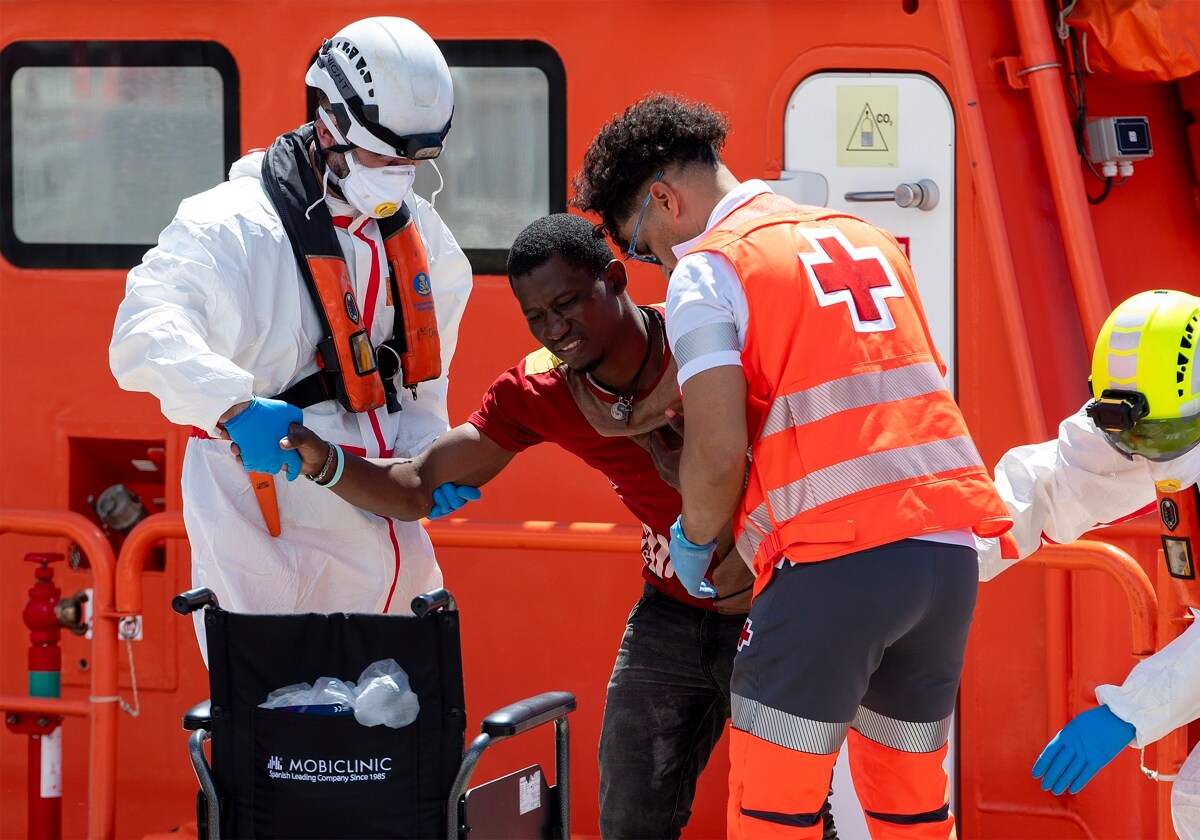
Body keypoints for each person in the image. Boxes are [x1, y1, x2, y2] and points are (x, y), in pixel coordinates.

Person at [282, 213, 836, 839]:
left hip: (776, 610)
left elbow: (829, 457)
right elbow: (415, 484)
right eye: (536, 316)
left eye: (567, 303)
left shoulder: (707, 345)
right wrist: (318, 458)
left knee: (800, 818)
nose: (555, 328)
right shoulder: (539, 389)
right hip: (672, 615)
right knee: (628, 821)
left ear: (616, 278)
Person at [571, 93, 1013, 839]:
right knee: (911, 810)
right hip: (944, 560)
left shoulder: (709, 270)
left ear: (663, 199)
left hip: (835, 567)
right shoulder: (863, 236)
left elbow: (715, 453)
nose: (655, 267)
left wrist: (697, 538)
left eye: (643, 249)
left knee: (774, 814)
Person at [108, 17, 472, 647]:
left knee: (403, 728)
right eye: (383, 155)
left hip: (397, 559)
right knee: (282, 733)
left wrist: (431, 459)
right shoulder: (229, 228)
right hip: (271, 558)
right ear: (330, 124)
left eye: (414, 158)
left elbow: (419, 383)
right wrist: (233, 405)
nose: (398, 174)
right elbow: (145, 330)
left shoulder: (423, 240)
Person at [977, 290, 1199, 836]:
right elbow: (1053, 485)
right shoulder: (1147, 409)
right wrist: (948, 549)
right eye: (1131, 437)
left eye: (1159, 438)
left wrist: (1128, 711)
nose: (1145, 454)